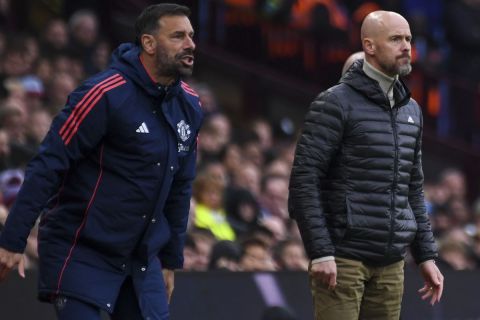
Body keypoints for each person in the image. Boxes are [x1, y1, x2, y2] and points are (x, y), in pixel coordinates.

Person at [0, 3, 203, 320]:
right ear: (148, 43)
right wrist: (13, 239)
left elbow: (180, 187)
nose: (190, 44)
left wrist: (169, 260)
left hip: (142, 259)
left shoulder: (190, 105)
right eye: (178, 36)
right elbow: (49, 164)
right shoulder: (103, 93)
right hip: (83, 250)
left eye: (191, 36)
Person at [288, 10, 444, 320]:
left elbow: (412, 187)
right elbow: (305, 180)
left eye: (409, 39)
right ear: (369, 46)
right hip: (343, 258)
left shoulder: (411, 109)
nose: (406, 47)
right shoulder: (334, 102)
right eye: (396, 39)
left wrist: (425, 254)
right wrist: (320, 251)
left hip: (391, 262)